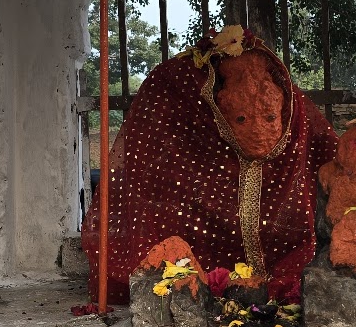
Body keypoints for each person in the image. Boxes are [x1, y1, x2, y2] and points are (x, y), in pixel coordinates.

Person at [84, 24, 338, 304]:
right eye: (243, 120)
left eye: (269, 118)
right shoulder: (180, 99)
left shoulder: (295, 111)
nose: (259, 130)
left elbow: (325, 153)